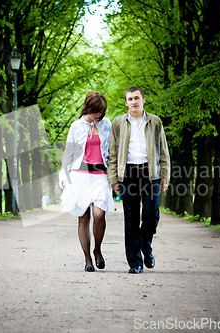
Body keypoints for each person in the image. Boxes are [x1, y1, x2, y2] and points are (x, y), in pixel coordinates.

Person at [108, 86, 170, 274]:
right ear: (126, 102)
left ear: (143, 100)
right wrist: (114, 178)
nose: (133, 102)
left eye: (136, 98)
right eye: (129, 99)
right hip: (128, 175)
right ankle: (135, 263)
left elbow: (163, 151)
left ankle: (145, 246)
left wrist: (165, 177)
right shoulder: (118, 123)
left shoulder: (155, 122)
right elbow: (112, 153)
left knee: (152, 215)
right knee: (131, 219)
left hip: (151, 174)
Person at [59, 91, 115, 272]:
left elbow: (113, 151)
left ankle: (98, 249)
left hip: (100, 175)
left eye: (101, 111)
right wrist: (63, 174)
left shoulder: (106, 124)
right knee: (83, 218)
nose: (98, 115)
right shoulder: (76, 126)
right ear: (87, 107)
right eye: (95, 111)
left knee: (99, 214)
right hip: (79, 175)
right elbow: (68, 152)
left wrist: (115, 176)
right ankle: (88, 259)